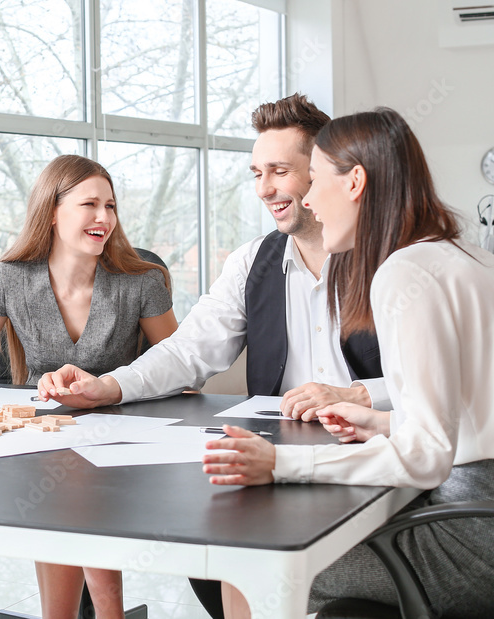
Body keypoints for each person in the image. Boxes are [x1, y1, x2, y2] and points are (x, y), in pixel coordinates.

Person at [36, 94, 389, 619]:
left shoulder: (391, 262)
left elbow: (444, 385)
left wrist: (358, 393)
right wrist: (107, 386)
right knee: (211, 540)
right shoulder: (253, 262)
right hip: (276, 460)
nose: (265, 188)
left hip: (369, 458)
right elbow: (187, 350)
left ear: (322, 172)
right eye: (256, 173)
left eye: (280, 171)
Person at [203, 108, 494, 618]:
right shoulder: (463, 256)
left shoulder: (403, 273)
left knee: (239, 555)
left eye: (313, 180)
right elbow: (471, 414)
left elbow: (427, 456)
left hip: (468, 537)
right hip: (476, 511)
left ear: (356, 181)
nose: (310, 200)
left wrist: (280, 464)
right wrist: (381, 420)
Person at [0, 154, 178, 619]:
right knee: (64, 484)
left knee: (78, 490)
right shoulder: (8, 280)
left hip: (121, 427)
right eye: (89, 204)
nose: (104, 217)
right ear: (52, 212)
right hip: (43, 433)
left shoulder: (142, 281)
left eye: (110, 206)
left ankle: (98, 613)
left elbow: (177, 366)